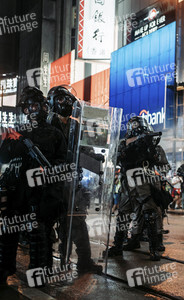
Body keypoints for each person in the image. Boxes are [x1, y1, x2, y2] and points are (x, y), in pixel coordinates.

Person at [0, 87, 66, 284]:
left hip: (41, 192)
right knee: (8, 232)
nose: (31, 111)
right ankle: (4, 269)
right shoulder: (17, 132)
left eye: (34, 105)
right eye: (27, 108)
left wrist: (50, 174)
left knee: (39, 233)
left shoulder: (55, 134)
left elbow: (62, 162)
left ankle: (39, 274)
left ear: (44, 106)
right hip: (16, 191)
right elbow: (3, 159)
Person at [48, 86, 102, 274]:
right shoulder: (48, 123)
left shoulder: (75, 125)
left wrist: (95, 159)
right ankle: (60, 262)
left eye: (70, 101)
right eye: (63, 100)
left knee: (77, 221)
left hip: (73, 182)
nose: (68, 104)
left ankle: (84, 261)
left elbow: (84, 147)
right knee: (54, 225)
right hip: (52, 183)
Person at [113, 117, 170, 260]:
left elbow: (164, 166)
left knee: (150, 213)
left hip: (145, 183)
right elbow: (117, 159)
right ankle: (118, 246)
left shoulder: (151, 143)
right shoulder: (123, 144)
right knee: (123, 215)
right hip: (128, 183)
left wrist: (152, 159)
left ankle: (154, 248)